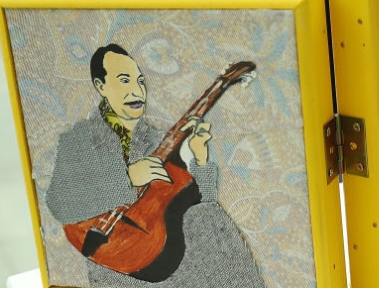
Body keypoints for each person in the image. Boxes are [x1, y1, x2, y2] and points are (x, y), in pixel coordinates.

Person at [45, 44, 264, 287]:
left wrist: (200, 159)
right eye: (124, 80)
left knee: (208, 222)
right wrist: (129, 178)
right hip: (115, 264)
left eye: (140, 81)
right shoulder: (78, 140)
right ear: (101, 86)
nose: (136, 90)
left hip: (165, 254)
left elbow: (195, 203)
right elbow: (59, 204)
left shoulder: (158, 140)